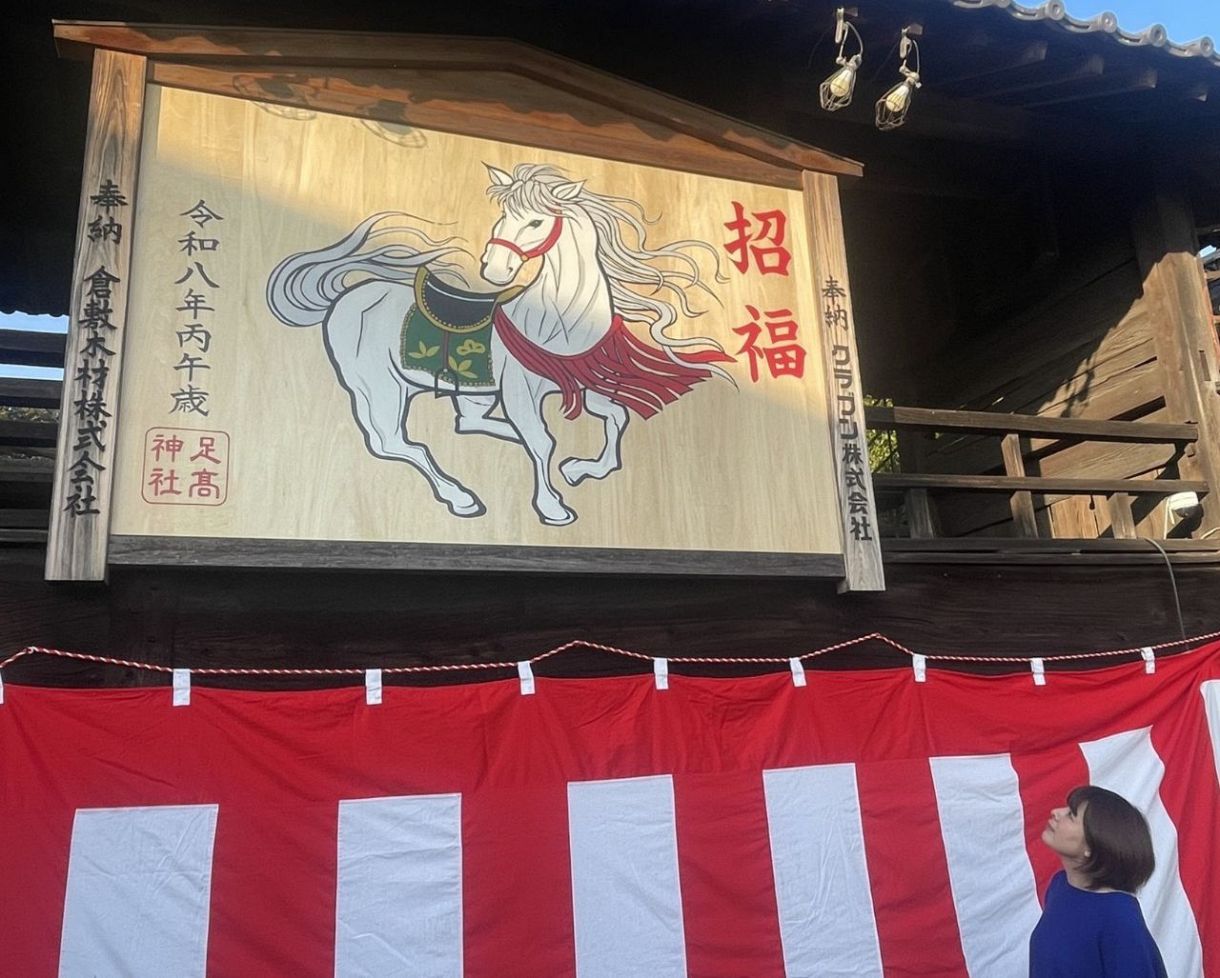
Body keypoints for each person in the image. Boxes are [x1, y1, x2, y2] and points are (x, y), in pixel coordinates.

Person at [1030, 785, 1167, 977]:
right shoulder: (1060, 886)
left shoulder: (1118, 917)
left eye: (1071, 815)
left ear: (1094, 845)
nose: (1056, 812)